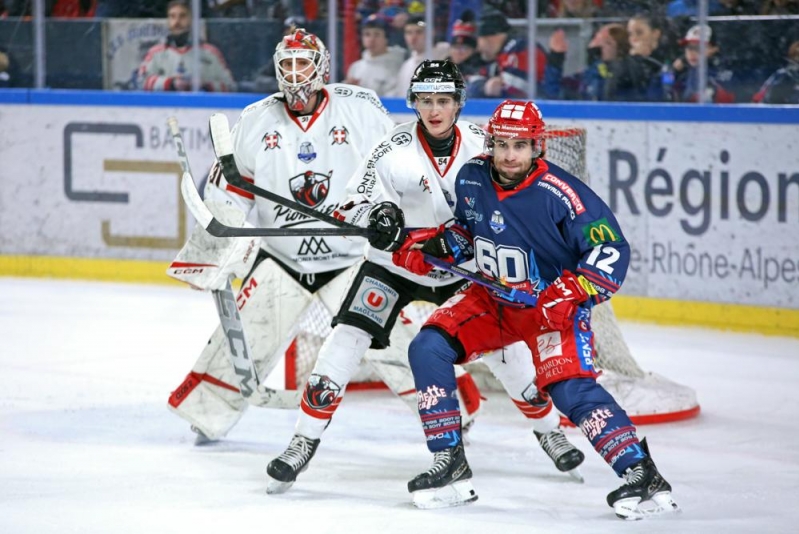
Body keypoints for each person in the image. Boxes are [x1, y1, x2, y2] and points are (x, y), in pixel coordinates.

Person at [265, 60, 584, 495]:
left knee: (505, 352)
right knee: (346, 340)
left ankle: (549, 431)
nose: (434, 110)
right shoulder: (390, 147)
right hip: (394, 264)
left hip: (464, 266)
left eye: (444, 100)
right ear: (413, 102)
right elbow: (352, 205)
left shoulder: (482, 145)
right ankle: (302, 441)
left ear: (458, 103)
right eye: (426, 100)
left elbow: (512, 201)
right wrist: (377, 216)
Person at [384, 100, 679, 518]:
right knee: (428, 347)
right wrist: (430, 246)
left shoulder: (563, 195)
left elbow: (610, 248)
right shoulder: (471, 178)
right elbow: (468, 231)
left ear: (537, 146)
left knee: (570, 390)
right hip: (492, 301)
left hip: (550, 309)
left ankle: (640, 472)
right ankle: (449, 461)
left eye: (520, 145)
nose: (509, 155)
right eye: (502, 144)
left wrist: (574, 289)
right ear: (490, 143)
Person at [166, 29, 396, 444]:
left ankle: (451, 407)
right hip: (283, 259)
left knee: (394, 337)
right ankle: (207, 413)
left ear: (321, 67)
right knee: (246, 336)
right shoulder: (255, 119)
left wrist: (389, 216)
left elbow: (392, 171)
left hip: (351, 260)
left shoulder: (360, 110)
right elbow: (229, 194)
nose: (293, 74)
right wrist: (219, 253)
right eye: (286, 64)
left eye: (301, 64)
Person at [136, 0, 236, 92]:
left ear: (191, 20)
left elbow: (230, 86)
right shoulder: (156, 53)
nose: (177, 22)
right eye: (172, 16)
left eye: (182, 16)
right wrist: (170, 83)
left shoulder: (210, 53)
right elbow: (140, 82)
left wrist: (204, 85)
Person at [467, 6, 547, 99]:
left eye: (479, 41)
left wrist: (492, 87)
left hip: (545, 109)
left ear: (490, 38)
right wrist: (484, 87)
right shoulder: (501, 54)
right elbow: (471, 83)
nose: (478, 48)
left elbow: (514, 93)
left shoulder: (520, 48)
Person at [543, 23, 629, 101]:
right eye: (597, 38)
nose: (598, 44)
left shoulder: (624, 77)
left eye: (607, 42)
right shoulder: (584, 78)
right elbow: (554, 94)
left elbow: (603, 96)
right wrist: (556, 58)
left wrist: (595, 61)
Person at [343, 13, 405, 96]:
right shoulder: (356, 67)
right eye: (367, 34)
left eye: (377, 34)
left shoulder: (397, 65)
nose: (371, 39)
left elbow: (394, 99)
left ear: (386, 38)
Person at [670, 24, 735, 103]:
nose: (692, 53)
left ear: (714, 49)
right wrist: (673, 72)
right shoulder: (682, 74)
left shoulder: (724, 73)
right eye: (689, 48)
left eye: (698, 48)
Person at [391, 15, 428, 97]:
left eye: (419, 32)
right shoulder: (406, 66)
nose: (413, 37)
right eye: (409, 33)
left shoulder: (442, 59)